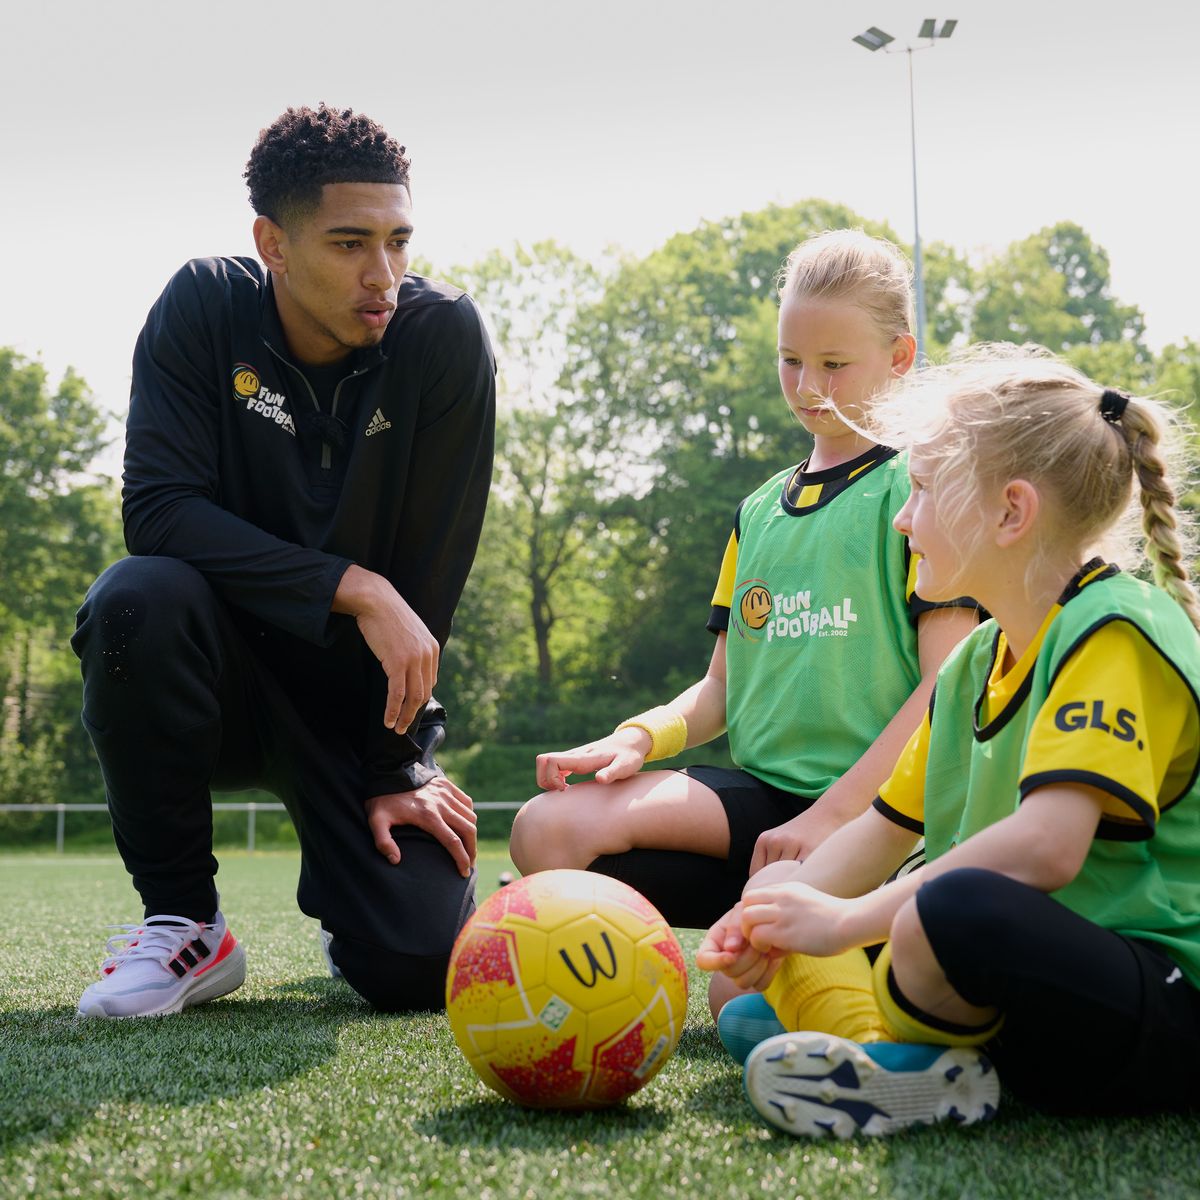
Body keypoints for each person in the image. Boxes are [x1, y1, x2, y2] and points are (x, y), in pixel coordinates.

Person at [697, 344, 1200, 1138]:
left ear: (1011, 512)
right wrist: (763, 922)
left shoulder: (1116, 628)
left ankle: (886, 1057)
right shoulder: (972, 662)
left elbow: (1045, 851)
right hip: (1028, 980)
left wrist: (834, 924)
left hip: (1158, 1001)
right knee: (762, 972)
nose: (902, 517)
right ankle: (910, 1066)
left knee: (947, 905)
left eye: (922, 491)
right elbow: (879, 829)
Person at [71, 104, 496, 1017]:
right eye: (349, 244)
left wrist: (396, 764)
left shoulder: (444, 340)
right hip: (215, 683)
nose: (382, 275)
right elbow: (157, 509)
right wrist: (351, 586)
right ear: (273, 241)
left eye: (397, 241)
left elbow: (433, 577)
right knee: (134, 601)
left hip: (354, 712)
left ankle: (360, 925)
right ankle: (187, 924)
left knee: (419, 971)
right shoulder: (202, 307)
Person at [509, 230, 977, 939]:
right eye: (790, 360)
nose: (808, 386)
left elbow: (949, 688)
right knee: (544, 829)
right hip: (761, 805)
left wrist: (834, 815)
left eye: (834, 364)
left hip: (881, 814)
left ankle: (797, 921)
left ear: (900, 357)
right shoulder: (758, 511)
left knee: (753, 990)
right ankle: (744, 920)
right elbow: (720, 691)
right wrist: (639, 737)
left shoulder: (917, 493)